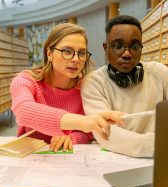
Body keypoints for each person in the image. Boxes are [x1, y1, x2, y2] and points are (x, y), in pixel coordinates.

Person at [81, 15, 168, 157]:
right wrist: (163, 144)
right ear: (106, 48)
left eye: (135, 46)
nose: (127, 54)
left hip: (162, 157)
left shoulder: (159, 72)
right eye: (118, 46)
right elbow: (104, 132)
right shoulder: (94, 81)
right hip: (116, 160)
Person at [10, 23, 124, 152]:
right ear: (49, 53)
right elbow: (24, 111)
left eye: (81, 53)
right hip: (30, 156)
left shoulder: (86, 88)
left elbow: (89, 132)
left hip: (66, 160)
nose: (76, 59)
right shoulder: (25, 80)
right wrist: (82, 122)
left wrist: (71, 137)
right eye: (67, 51)